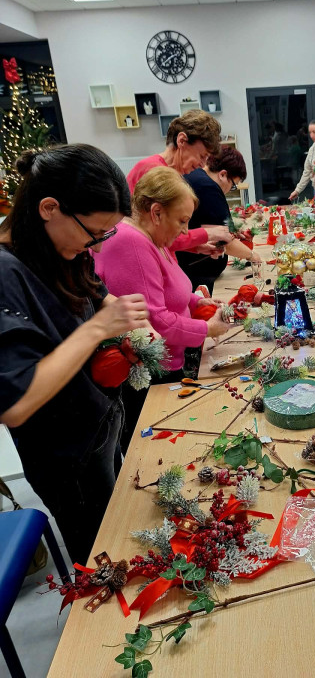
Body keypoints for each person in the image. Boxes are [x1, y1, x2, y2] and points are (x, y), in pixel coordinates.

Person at [0, 144, 148, 564]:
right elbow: (15, 403)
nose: (97, 248)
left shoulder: (59, 248)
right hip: (66, 456)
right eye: (93, 233)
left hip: (98, 424)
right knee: (103, 555)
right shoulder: (6, 273)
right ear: (49, 207)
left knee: (119, 528)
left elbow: (97, 296)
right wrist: (99, 329)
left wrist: (126, 317)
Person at [94, 167, 230, 446]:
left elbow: (171, 289)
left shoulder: (154, 238)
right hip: (150, 380)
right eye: (182, 221)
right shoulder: (130, 242)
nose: (184, 231)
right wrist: (207, 328)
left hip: (168, 366)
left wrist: (197, 300)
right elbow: (156, 321)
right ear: (156, 212)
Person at [126, 110, 232, 254]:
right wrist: (208, 233)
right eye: (202, 156)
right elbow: (158, 233)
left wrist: (196, 247)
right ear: (181, 140)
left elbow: (164, 239)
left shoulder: (170, 173)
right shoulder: (153, 170)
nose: (203, 164)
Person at [177, 148, 262, 294]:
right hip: (196, 273)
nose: (230, 189)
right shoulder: (208, 188)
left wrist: (231, 231)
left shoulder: (198, 176)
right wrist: (252, 256)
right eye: (233, 184)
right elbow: (222, 241)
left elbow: (210, 223)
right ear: (223, 174)